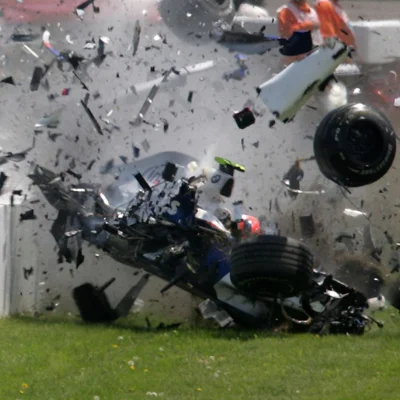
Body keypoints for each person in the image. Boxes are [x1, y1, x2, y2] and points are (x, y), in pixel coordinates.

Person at [277, 0, 322, 65]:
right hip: (293, 64)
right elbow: (288, 34)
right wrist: (310, 25)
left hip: (313, 58)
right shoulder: (285, 11)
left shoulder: (312, 12)